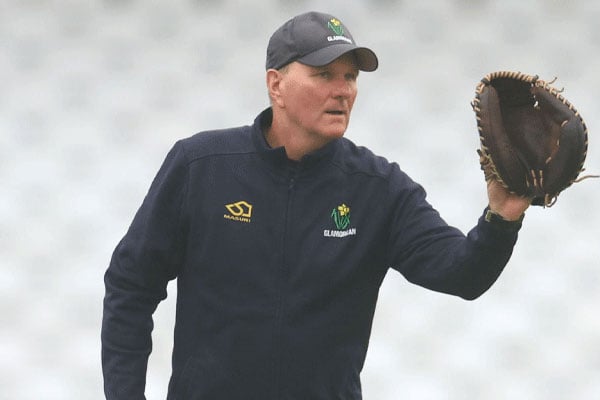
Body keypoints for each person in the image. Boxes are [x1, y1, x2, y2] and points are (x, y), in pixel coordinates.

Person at [101, 11, 530, 400]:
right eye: (324, 75)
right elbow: (131, 284)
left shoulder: (379, 188)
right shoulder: (201, 166)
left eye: (351, 77)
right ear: (276, 84)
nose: (343, 91)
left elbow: (463, 273)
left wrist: (503, 216)